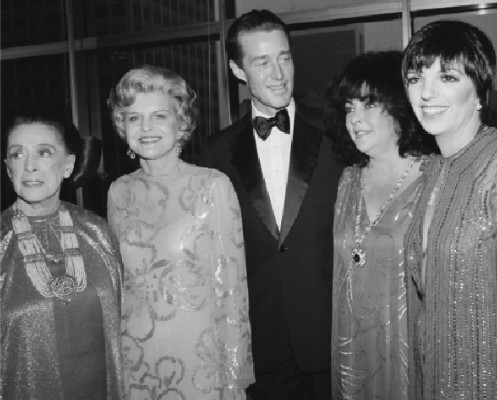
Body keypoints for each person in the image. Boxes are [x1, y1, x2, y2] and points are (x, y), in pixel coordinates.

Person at [401, 20, 497, 399]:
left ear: (480, 93)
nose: (426, 92)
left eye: (448, 77)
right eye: (416, 77)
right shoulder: (433, 169)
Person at [199, 9, 344, 400]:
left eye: (285, 57)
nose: (279, 73)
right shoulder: (214, 153)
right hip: (260, 347)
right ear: (238, 70)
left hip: (331, 340)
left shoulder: (339, 135)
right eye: (262, 62)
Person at [106, 65, 254, 400]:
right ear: (122, 126)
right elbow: (122, 289)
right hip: (135, 363)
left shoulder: (211, 185)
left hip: (198, 364)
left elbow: (233, 293)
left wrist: (233, 380)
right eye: (133, 118)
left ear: (181, 121)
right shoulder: (118, 191)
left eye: (159, 116)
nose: (145, 128)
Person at [326, 51, 435, 400]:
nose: (355, 119)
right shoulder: (347, 181)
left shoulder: (434, 178)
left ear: (399, 106)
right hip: (353, 354)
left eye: (369, 104)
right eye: (349, 108)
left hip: (414, 357)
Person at [0, 109, 124, 400]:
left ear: (68, 165)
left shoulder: (97, 232)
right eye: (17, 154)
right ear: (8, 169)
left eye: (44, 152)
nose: (29, 166)